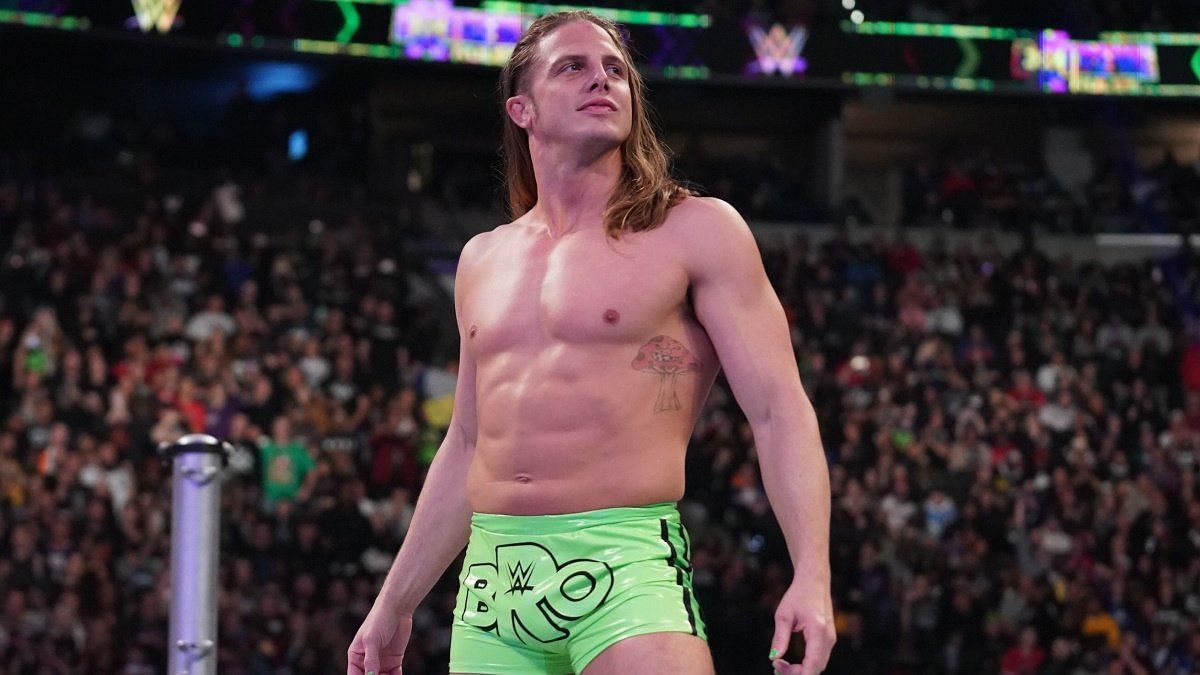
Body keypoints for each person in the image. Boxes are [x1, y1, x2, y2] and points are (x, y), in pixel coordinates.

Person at [347, 10, 834, 675]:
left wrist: (812, 572)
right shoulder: (482, 258)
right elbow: (466, 443)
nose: (602, 79)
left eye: (615, 70)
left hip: (626, 565)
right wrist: (394, 600)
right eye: (572, 66)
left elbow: (779, 408)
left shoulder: (695, 230)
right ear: (522, 109)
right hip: (493, 587)